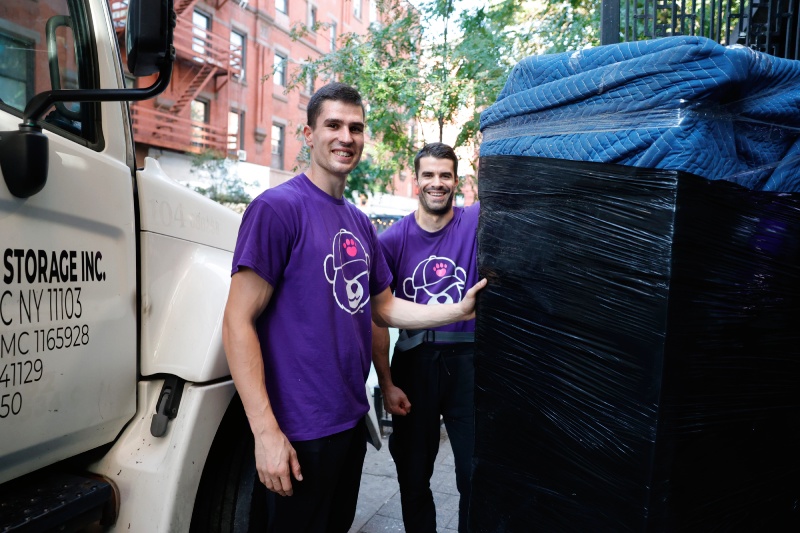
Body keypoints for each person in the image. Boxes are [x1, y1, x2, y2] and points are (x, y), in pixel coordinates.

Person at [222, 84, 486, 533]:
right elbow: (236, 322)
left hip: (349, 420)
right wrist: (265, 432)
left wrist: (457, 310)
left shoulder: (359, 222)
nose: (346, 136)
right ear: (307, 134)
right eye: (334, 125)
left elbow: (385, 309)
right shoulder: (277, 208)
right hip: (298, 426)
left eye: (356, 128)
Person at [371, 142, 479, 533]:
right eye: (429, 175)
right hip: (414, 367)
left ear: (457, 181)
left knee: (474, 473)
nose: (437, 183)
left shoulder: (476, 220)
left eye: (445, 175)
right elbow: (377, 318)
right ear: (416, 179)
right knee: (413, 475)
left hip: (469, 364)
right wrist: (386, 382)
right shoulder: (392, 241)